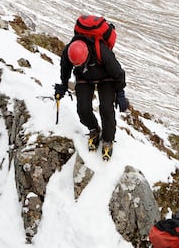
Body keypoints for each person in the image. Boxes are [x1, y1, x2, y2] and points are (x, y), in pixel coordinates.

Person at [54, 25, 128, 160]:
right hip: (84, 77)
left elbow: (118, 73)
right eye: (77, 65)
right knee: (83, 108)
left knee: (106, 108)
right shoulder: (69, 53)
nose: (80, 65)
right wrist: (63, 86)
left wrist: (120, 93)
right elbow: (65, 70)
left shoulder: (102, 52)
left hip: (106, 77)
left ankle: (108, 140)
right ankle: (94, 129)